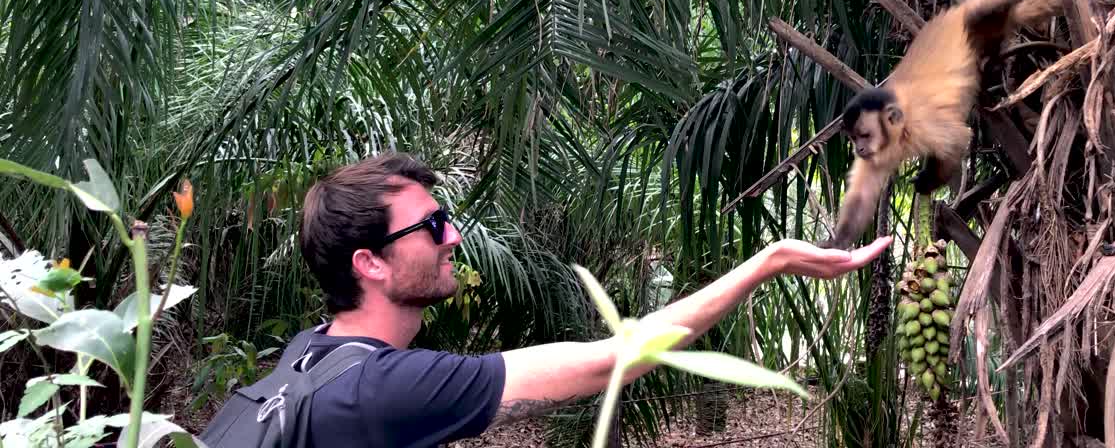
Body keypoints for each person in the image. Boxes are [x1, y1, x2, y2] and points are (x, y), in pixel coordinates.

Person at [203, 152, 891, 447]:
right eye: (434, 226)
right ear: (370, 264)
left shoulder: (309, 356)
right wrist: (766, 263)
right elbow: (611, 360)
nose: (455, 238)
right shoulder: (384, 388)